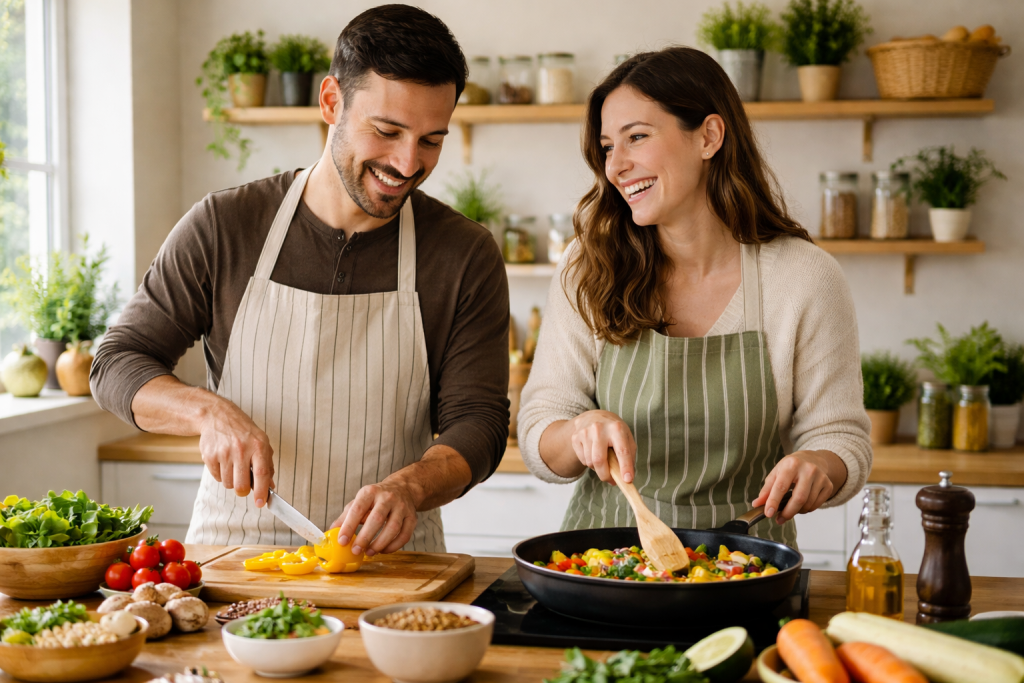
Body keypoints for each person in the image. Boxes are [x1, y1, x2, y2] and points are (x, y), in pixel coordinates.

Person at [91, 4, 509, 555]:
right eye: (387, 131)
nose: (408, 162)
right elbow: (116, 362)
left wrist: (409, 487)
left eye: (431, 140)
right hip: (233, 555)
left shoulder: (463, 253)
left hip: (387, 566)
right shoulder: (226, 225)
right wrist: (206, 412)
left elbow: (478, 423)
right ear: (331, 101)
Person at [517, 47, 871, 546]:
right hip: (603, 564)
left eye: (636, 137)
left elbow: (842, 438)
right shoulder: (588, 266)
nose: (616, 166)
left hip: (748, 564)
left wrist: (819, 464)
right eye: (606, 147)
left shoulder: (804, 278)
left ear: (708, 136)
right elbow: (540, 430)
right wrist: (578, 431)